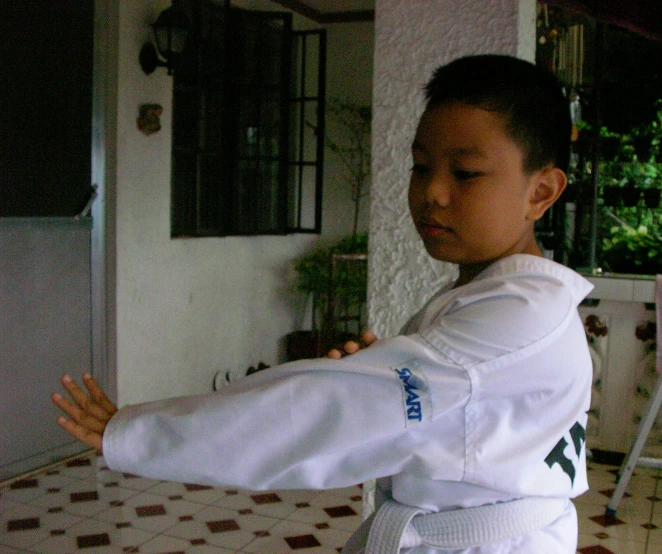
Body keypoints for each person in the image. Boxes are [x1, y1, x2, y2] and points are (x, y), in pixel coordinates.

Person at [53, 54, 593, 553]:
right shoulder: (503, 298)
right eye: (421, 166)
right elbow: (448, 419)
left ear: (541, 192)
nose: (433, 192)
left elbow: (323, 411)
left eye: (465, 173)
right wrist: (378, 377)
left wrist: (136, 434)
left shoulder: (519, 315)